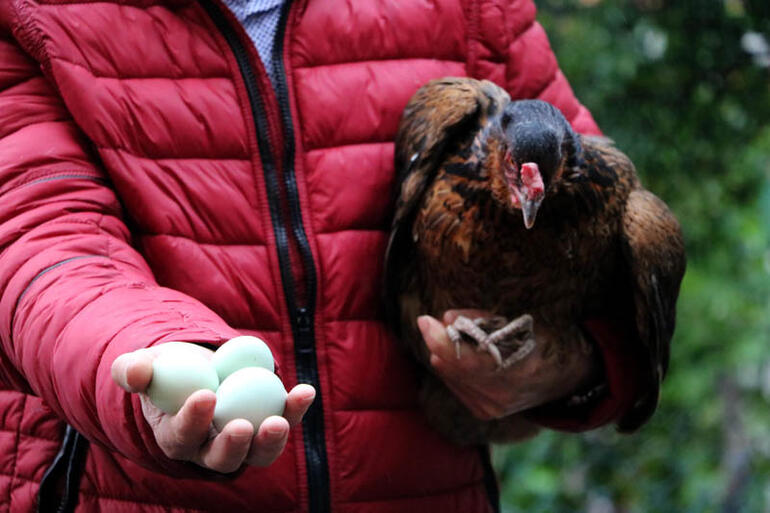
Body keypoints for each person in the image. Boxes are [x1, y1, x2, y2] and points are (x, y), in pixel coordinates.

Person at [0, 0, 651, 511]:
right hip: (119, 491)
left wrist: (564, 362)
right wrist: (167, 356)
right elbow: (37, 238)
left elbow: (608, 233)